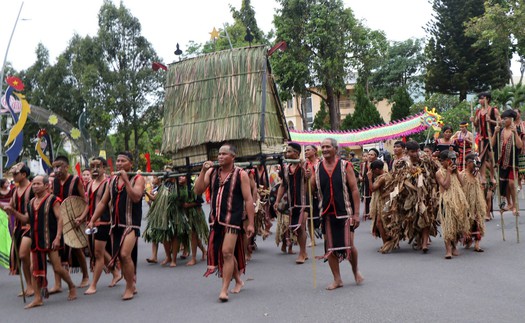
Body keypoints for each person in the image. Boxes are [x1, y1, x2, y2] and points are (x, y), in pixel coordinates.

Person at [194, 143, 255, 302]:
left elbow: (248, 199)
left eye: (224, 154)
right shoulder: (211, 172)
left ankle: (224, 290)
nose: (220, 156)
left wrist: (251, 223)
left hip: (233, 220)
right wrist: (202, 171)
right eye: (219, 154)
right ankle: (238, 280)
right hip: (216, 220)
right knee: (226, 253)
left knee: (227, 252)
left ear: (233, 157)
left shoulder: (241, 174)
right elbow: (198, 190)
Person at [88, 151, 145, 301]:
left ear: (130, 164)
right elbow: (102, 202)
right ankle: (131, 283)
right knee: (122, 257)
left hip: (131, 224)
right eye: (118, 161)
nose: (119, 163)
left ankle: (129, 287)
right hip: (116, 225)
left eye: (123, 161)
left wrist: (126, 181)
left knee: (125, 254)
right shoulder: (111, 181)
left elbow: (136, 197)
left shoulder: (138, 179)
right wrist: (93, 219)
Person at [309, 138, 364, 290]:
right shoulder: (316, 167)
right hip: (326, 213)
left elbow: (354, 190)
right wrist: (307, 177)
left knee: (349, 245)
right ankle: (337, 279)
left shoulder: (345, 166)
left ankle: (355, 271)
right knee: (330, 248)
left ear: (335, 149)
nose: (325, 149)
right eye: (322, 147)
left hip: (344, 212)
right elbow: (311, 188)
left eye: (327, 146)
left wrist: (356, 213)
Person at [24, 175, 77, 308]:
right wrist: (12, 212)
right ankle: (38, 298)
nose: (35, 186)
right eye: (33, 183)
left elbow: (60, 219)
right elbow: (26, 220)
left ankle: (71, 286)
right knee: (33, 269)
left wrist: (58, 237)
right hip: (36, 239)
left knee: (58, 268)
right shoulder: (30, 203)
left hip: (51, 238)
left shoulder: (53, 200)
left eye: (38, 183)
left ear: (46, 185)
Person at [78, 157, 121, 295]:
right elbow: (89, 204)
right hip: (92, 222)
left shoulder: (108, 183)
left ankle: (94, 284)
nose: (95, 169)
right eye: (92, 166)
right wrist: (83, 217)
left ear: (104, 168)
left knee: (98, 253)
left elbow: (107, 204)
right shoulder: (90, 184)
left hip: (104, 222)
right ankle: (115, 272)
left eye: (98, 166)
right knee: (99, 252)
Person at [52, 155, 88, 290]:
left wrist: (82, 217)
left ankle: (85, 276)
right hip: (58, 220)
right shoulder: (54, 181)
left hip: (75, 219)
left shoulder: (75, 180)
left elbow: (85, 201)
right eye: (54, 167)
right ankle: (58, 284)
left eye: (58, 167)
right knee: (56, 251)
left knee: (77, 248)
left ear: (66, 167)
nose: (56, 170)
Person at [274, 142, 310, 264]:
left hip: (304, 202)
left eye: (289, 151)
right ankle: (304, 252)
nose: (287, 154)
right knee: (296, 228)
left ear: (297, 153)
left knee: (301, 226)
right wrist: (277, 201)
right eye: (286, 151)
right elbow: (283, 185)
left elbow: (312, 182)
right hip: (291, 202)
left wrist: (308, 176)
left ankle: (302, 252)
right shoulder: (285, 168)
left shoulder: (305, 165)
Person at [3, 163, 34, 297]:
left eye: (16, 174)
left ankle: (36, 286)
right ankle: (29, 286)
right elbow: (10, 206)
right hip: (19, 228)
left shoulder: (33, 188)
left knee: (24, 255)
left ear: (24, 175)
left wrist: (12, 211)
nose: (13, 176)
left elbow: (28, 215)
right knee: (23, 258)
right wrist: (7, 208)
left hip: (32, 227)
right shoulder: (15, 191)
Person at [435, 151, 470, 259]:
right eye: (451, 159)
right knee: (448, 226)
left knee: (457, 225)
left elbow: (462, 183)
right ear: (444, 161)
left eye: (454, 159)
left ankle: (454, 246)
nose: (453, 162)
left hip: (458, 200)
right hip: (446, 201)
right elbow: (445, 186)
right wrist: (449, 173)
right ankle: (448, 250)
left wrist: (456, 172)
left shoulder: (455, 171)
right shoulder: (439, 173)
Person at [492, 109, 523, 213]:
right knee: (504, 185)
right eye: (503, 119)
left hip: (512, 162)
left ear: (511, 119)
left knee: (511, 183)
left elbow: (519, 145)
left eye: (505, 119)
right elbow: (492, 145)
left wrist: (515, 134)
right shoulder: (500, 131)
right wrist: (495, 133)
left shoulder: (515, 130)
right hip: (501, 162)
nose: (503, 121)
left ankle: (515, 205)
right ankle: (508, 203)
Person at [178, 175, 208, 266]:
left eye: (183, 176)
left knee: (193, 235)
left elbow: (199, 202)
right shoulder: (179, 188)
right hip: (186, 215)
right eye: (179, 176)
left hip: (195, 214)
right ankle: (204, 251)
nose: (180, 178)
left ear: (187, 178)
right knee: (193, 236)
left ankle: (194, 258)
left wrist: (189, 205)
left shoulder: (192, 187)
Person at [460, 154, 486, 252]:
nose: (474, 164)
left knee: (477, 221)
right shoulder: (462, 174)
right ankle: (468, 239)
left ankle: (477, 244)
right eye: (472, 162)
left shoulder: (477, 174)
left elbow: (480, 186)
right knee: (467, 222)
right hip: (466, 203)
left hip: (476, 203)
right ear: (467, 162)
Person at [473, 91, 499, 186]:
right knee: (482, 158)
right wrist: (473, 121)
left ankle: (492, 176)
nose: (480, 100)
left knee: (492, 158)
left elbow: (500, 123)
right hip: (481, 138)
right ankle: (483, 176)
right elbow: (476, 125)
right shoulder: (478, 112)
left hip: (491, 136)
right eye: (479, 99)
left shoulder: (493, 110)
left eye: (482, 98)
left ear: (487, 99)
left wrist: (491, 120)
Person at [367, 159, 391, 250]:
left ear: (376, 170)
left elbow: (372, 188)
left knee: (380, 223)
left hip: (384, 202)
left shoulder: (382, 178)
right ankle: (388, 242)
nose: (372, 173)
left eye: (372, 171)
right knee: (384, 223)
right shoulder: (386, 174)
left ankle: (386, 244)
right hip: (385, 201)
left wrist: (369, 179)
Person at [304, 144, 321, 247]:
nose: (306, 152)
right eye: (305, 150)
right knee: (309, 218)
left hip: (320, 193)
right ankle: (312, 239)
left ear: (315, 151)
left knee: (322, 215)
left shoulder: (321, 163)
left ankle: (323, 232)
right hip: (308, 194)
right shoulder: (304, 165)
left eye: (308, 150)